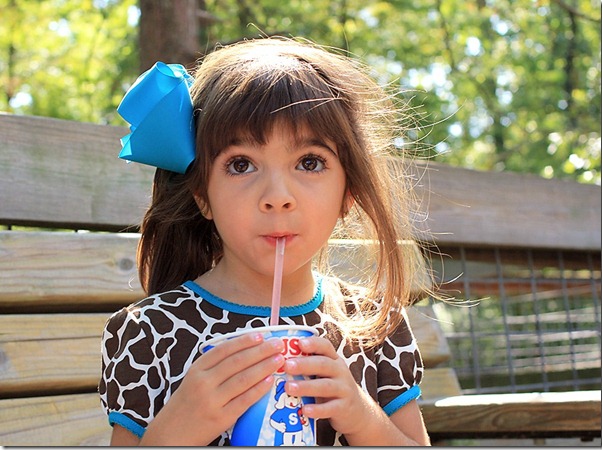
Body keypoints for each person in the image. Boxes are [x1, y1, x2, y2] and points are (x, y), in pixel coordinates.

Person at [99, 36, 432, 446]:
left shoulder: (374, 325)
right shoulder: (150, 332)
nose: (277, 196)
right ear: (202, 194)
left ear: (348, 192)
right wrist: (177, 430)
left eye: (309, 162)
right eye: (241, 165)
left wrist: (362, 418)